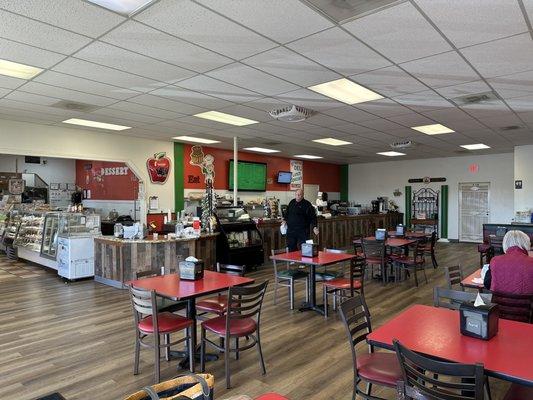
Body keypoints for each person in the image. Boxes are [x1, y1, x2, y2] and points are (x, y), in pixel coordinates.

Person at [483, 230, 533, 294]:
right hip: (527, 303)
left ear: (505, 243)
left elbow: (487, 284)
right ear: (526, 243)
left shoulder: (495, 261)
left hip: (499, 303)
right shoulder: (531, 262)